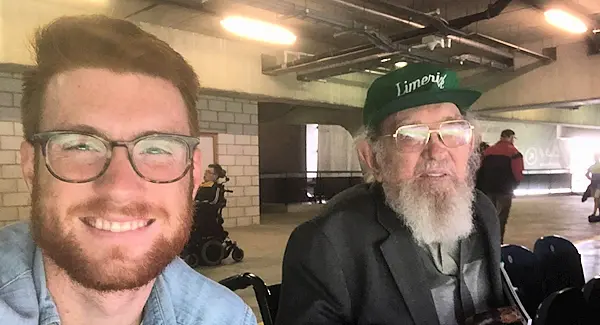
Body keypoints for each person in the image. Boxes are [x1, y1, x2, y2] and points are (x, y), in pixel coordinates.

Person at [0, 15, 256, 325]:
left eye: (157, 148)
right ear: (31, 166)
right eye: (81, 146)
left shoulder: (225, 318)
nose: (120, 188)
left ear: (193, 173)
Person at [276, 63, 505, 325]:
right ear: (373, 158)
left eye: (452, 130)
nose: (437, 151)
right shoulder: (326, 245)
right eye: (411, 135)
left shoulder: (483, 211)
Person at [478, 129, 524, 242]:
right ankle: (498, 245)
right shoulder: (514, 153)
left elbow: (480, 169)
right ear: (511, 137)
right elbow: (518, 173)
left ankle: (485, 243)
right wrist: (514, 186)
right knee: (501, 220)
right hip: (504, 191)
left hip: (487, 190)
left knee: (487, 217)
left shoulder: (488, 152)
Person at [585, 154, 600, 222]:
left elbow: (587, 174)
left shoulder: (592, 167)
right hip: (598, 184)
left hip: (594, 184)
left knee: (596, 199)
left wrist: (591, 179)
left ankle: (594, 213)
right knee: (597, 199)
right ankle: (597, 213)